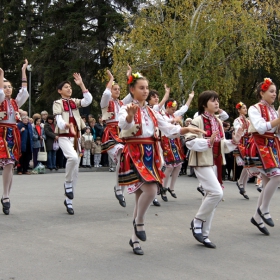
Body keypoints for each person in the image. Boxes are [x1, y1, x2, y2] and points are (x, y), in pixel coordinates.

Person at [118, 72, 205, 255]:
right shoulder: (125, 107)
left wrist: (186, 128)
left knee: (142, 195)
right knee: (150, 190)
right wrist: (129, 117)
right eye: (141, 88)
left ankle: (134, 240)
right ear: (132, 89)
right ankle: (139, 222)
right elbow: (123, 126)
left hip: (150, 154)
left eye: (147, 88)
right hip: (135, 153)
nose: (145, 91)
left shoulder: (152, 111)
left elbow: (168, 128)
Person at [185, 90, 242, 248]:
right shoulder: (197, 120)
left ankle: (204, 234)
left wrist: (234, 142)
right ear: (204, 104)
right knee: (217, 193)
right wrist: (207, 142)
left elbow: (222, 145)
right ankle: (197, 221)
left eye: (217, 100)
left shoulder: (217, 121)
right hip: (201, 161)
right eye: (213, 100)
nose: (216, 103)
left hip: (216, 161)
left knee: (212, 197)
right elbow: (189, 142)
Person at [53, 73, 93, 215]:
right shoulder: (57, 103)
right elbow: (58, 120)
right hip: (64, 137)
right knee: (73, 158)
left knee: (75, 171)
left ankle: (69, 202)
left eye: (70, 87)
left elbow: (88, 100)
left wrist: (81, 84)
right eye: (66, 87)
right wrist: (65, 125)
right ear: (60, 91)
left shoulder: (74, 101)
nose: (69, 89)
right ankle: (67, 184)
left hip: (76, 138)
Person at [247, 78, 280, 236]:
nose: (274, 94)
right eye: (271, 91)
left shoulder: (274, 110)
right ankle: (264, 209)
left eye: (275, 91)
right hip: (260, 145)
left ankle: (257, 217)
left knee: (268, 181)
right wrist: (277, 121)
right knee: (277, 176)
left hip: (271, 146)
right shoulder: (255, 108)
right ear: (262, 92)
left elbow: (276, 130)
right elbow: (260, 128)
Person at [100, 69, 133, 207]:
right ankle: (119, 189)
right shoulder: (106, 103)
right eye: (115, 89)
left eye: (119, 89)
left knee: (125, 159)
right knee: (121, 155)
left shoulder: (121, 103)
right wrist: (111, 79)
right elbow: (106, 94)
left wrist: (129, 77)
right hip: (111, 133)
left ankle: (120, 189)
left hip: (122, 133)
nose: (117, 91)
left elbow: (132, 94)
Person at [0, 60, 29, 215]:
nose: (8, 89)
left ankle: (6, 196)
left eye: (10, 86)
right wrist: (2, 76)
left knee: (10, 164)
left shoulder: (14, 102)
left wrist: (23, 70)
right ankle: (5, 196)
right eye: (5, 86)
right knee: (7, 164)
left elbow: (24, 92)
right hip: (1, 132)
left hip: (12, 133)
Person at [160, 92, 194, 202]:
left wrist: (190, 98)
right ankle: (163, 188)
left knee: (178, 165)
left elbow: (184, 109)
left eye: (175, 108)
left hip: (175, 141)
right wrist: (174, 120)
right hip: (166, 141)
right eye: (172, 108)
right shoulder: (162, 115)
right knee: (169, 166)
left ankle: (171, 187)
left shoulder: (174, 114)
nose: (174, 110)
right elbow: (165, 123)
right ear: (167, 107)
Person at [146, 85, 170, 206]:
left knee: (159, 165)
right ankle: (149, 194)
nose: (156, 98)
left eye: (157, 96)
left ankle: (154, 194)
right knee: (153, 166)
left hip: (158, 142)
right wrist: (166, 95)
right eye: (153, 97)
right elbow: (160, 104)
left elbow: (166, 122)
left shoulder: (158, 111)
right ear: (148, 99)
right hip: (148, 143)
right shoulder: (150, 109)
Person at [233, 102, 250, 199]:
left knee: (248, 165)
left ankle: (243, 187)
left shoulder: (248, 121)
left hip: (248, 143)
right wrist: (243, 129)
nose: (245, 109)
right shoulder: (237, 120)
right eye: (243, 108)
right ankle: (240, 183)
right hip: (241, 143)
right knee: (247, 164)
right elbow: (238, 131)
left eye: (246, 108)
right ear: (239, 110)